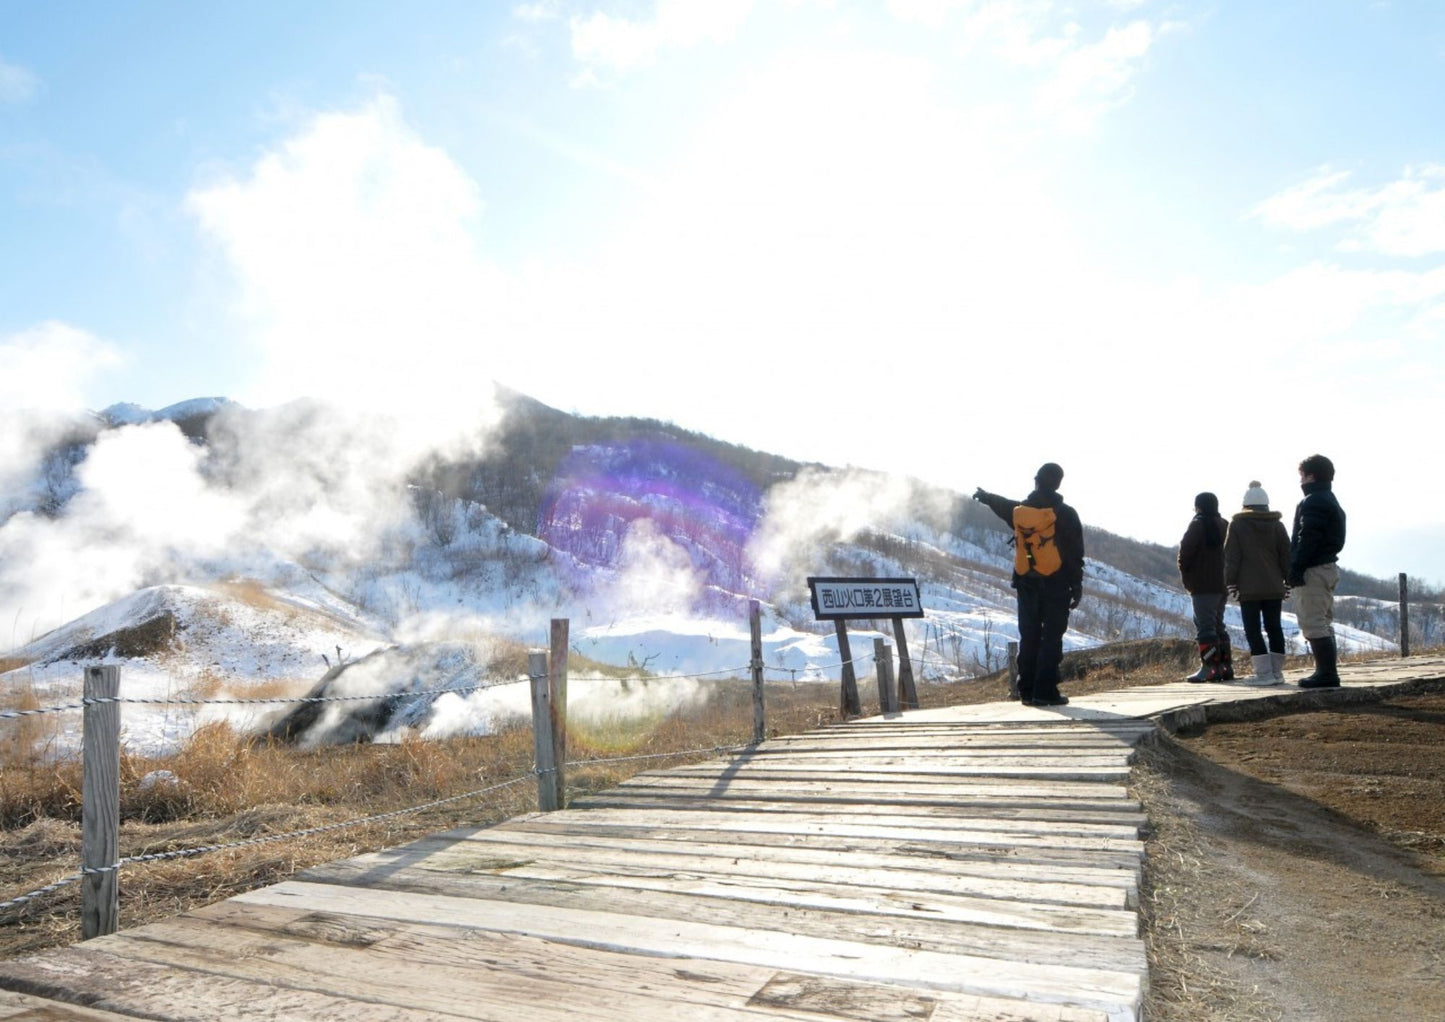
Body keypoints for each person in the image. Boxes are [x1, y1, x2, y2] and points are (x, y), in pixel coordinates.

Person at [973, 462, 1085, 707]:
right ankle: (1045, 692)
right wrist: (1076, 586)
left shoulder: (1019, 512)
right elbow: (1076, 555)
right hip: (1056, 583)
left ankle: (1026, 690)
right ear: (1058, 484)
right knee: (1052, 636)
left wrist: (985, 497)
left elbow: (1001, 505)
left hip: (1026, 582)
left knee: (1030, 635)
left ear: (1036, 481)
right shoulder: (1066, 514)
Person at [1224, 481, 1291, 684]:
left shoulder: (1237, 525)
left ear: (1245, 504)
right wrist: (1288, 582)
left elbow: (1231, 557)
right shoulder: (1277, 526)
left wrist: (1231, 583)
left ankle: (1264, 674)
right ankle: (1277, 672)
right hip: (1274, 587)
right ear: (1266, 504)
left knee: (1252, 629)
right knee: (1274, 628)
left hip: (1248, 588)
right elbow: (1287, 556)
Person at [1289, 454, 1347, 688]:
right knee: (1323, 620)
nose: (1300, 481)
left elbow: (1308, 537)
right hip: (1327, 567)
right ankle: (1326, 671)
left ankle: (1326, 673)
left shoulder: (1313, 501)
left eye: (1302, 476)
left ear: (1310, 476)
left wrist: (1296, 566)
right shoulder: (1329, 499)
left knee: (1312, 621)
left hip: (1313, 569)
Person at [1177, 492, 1232, 682]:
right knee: (1218, 625)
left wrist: (1188, 579)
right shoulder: (1225, 525)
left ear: (1198, 507)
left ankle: (1208, 668)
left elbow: (1185, 554)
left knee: (1205, 627)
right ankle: (1225, 667)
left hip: (1202, 584)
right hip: (1222, 583)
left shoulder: (1197, 525)